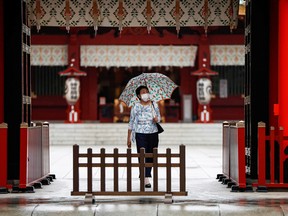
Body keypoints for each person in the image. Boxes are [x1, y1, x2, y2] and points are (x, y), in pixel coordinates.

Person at [127, 85, 161, 188]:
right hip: (140, 133)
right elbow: (131, 122)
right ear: (138, 95)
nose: (145, 93)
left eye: (147, 91)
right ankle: (145, 178)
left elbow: (159, 117)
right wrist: (128, 138)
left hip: (153, 132)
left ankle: (147, 174)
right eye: (143, 92)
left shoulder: (154, 104)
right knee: (142, 154)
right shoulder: (135, 106)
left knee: (151, 155)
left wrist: (157, 119)